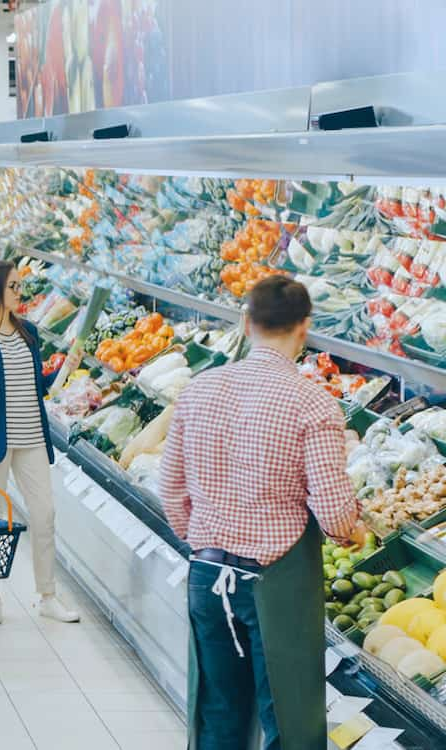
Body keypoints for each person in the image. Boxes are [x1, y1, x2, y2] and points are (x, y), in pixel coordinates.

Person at [158, 276, 364, 750]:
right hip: (277, 584)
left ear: (246, 322)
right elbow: (334, 515)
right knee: (288, 720)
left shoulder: (200, 389)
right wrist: (352, 529)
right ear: (304, 328)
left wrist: (208, 536)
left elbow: (171, 489)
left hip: (207, 574)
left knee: (218, 714)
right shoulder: (313, 404)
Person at [0, 260, 80, 626]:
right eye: (13, 286)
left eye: (19, 286)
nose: (19, 293)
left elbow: (35, 386)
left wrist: (65, 370)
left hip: (31, 439)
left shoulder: (28, 332)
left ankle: (47, 595)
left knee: (45, 515)